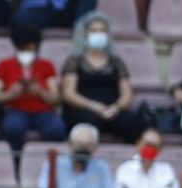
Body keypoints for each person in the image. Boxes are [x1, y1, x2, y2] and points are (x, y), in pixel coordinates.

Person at [60, 14, 144, 144]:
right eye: (93, 31)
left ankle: (130, 161)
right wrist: (94, 106)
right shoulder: (75, 61)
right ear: (85, 34)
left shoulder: (116, 62)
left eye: (102, 31)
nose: (98, 34)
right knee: (89, 122)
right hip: (84, 110)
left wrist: (116, 107)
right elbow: (68, 94)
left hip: (112, 110)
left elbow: (127, 93)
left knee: (131, 122)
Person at [0, 24, 65, 157]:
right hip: (16, 110)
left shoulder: (46, 65)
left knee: (56, 129)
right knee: (12, 128)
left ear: (37, 47)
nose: (25, 53)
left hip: (43, 111)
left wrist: (40, 92)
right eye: (22, 49)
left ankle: (46, 162)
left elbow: (56, 98)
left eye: (29, 49)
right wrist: (10, 94)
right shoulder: (4, 65)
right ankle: (16, 163)